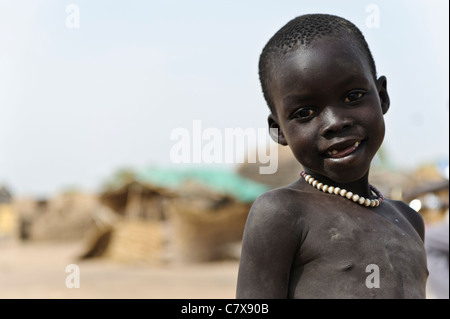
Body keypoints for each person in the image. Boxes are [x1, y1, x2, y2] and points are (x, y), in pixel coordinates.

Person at [236, 13, 428, 299]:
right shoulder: (281, 213)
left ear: (382, 96)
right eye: (304, 113)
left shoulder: (409, 220)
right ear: (279, 131)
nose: (335, 122)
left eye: (352, 97)